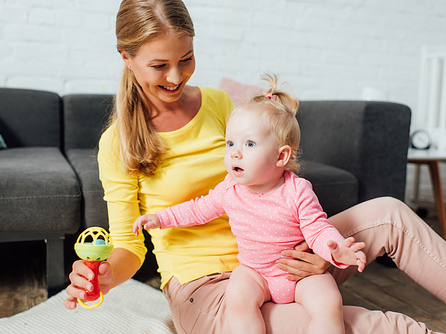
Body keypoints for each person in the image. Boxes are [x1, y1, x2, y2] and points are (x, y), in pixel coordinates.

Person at [64, 0, 446, 333]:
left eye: (186, 59)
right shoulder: (119, 142)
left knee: (391, 214)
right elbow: (130, 246)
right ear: (126, 58)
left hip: (283, 257)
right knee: (384, 328)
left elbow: (276, 179)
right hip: (211, 290)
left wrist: (320, 248)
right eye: (159, 65)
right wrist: (106, 275)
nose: (176, 77)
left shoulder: (217, 103)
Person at [132, 76, 367, 334]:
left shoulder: (297, 190)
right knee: (238, 299)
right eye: (230, 143)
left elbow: (317, 228)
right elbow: (198, 209)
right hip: (255, 273)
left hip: (297, 276)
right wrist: (160, 218)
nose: (235, 152)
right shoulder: (230, 189)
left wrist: (336, 250)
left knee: (328, 302)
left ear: (281, 156)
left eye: (249, 144)